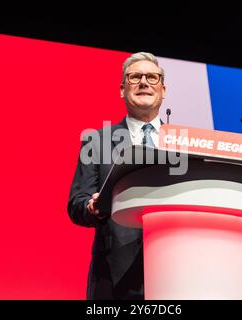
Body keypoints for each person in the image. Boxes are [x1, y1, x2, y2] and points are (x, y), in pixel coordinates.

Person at [67, 52, 166, 300]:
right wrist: (92, 207)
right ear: (122, 90)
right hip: (114, 277)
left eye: (152, 77)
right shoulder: (96, 140)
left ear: (163, 90)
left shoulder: (183, 143)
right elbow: (76, 203)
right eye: (135, 77)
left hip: (174, 268)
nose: (144, 82)